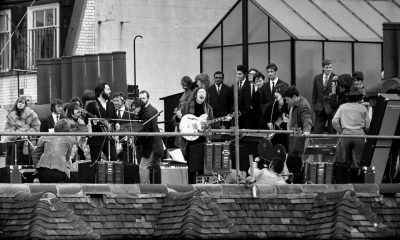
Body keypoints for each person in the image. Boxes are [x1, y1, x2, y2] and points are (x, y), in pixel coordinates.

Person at [173, 87, 217, 184]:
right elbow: (176, 121)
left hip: (202, 139)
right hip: (189, 140)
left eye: (204, 93)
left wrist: (218, 121)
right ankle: (191, 185)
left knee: (201, 165)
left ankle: (200, 187)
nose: (202, 94)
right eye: (200, 92)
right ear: (196, 94)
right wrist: (178, 117)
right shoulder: (186, 105)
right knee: (191, 166)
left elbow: (211, 123)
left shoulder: (208, 108)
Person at [332, 86, 371, 184]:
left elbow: (334, 121)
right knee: (359, 161)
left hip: (345, 136)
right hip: (359, 136)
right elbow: (368, 125)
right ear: (359, 97)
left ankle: (345, 182)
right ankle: (358, 182)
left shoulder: (343, 107)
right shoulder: (362, 108)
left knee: (344, 160)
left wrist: (340, 130)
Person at [32, 119, 77, 183]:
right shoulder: (70, 139)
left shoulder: (44, 136)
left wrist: (37, 168)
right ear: (67, 130)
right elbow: (67, 158)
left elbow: (35, 154)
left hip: (43, 172)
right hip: (59, 173)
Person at [283, 86, 313, 183]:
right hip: (292, 137)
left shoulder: (304, 105)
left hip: (299, 139)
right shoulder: (293, 104)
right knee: (291, 162)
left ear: (295, 97)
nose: (286, 102)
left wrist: (307, 130)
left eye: (288, 100)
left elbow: (307, 119)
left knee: (294, 162)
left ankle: (297, 184)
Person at [85, 81, 119, 163]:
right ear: (101, 92)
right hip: (96, 138)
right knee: (96, 162)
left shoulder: (111, 104)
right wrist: (94, 121)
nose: (110, 91)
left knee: (114, 159)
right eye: (108, 89)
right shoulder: (92, 105)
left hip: (109, 137)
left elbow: (115, 117)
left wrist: (117, 123)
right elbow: (87, 120)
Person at [136, 90, 164, 184]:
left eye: (143, 98)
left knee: (144, 166)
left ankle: (146, 188)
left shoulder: (150, 111)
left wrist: (138, 140)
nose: (141, 100)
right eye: (140, 98)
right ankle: (154, 187)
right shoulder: (143, 111)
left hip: (152, 144)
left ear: (148, 99)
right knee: (154, 166)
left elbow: (147, 130)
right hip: (152, 143)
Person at [4, 96, 41, 165]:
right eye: (19, 102)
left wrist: (26, 132)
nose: (20, 104)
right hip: (13, 142)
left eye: (22, 102)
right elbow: (6, 130)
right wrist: (13, 131)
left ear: (25, 104)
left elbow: (36, 128)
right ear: (16, 103)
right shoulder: (11, 115)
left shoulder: (31, 114)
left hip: (26, 142)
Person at [259, 84, 289, 150]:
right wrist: (267, 123)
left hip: (286, 137)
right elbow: (263, 119)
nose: (275, 94)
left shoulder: (289, 105)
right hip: (275, 137)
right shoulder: (272, 105)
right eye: (275, 92)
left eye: (277, 92)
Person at [312, 59, 337, 134]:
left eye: (330, 67)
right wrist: (315, 107)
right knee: (316, 131)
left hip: (331, 109)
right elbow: (314, 94)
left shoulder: (335, 78)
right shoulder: (317, 78)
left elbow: (337, 94)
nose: (329, 69)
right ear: (323, 68)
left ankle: (331, 146)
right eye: (327, 67)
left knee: (332, 131)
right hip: (319, 109)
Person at [112, 92, 135, 163]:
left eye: (117, 101)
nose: (115, 103)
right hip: (113, 143)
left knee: (127, 163)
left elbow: (134, 126)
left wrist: (132, 138)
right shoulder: (110, 111)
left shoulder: (130, 112)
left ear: (123, 101)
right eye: (114, 101)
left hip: (126, 144)